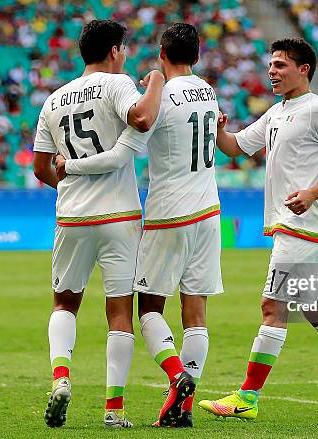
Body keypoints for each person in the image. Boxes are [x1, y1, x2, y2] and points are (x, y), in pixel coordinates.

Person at [197, 38, 318, 421]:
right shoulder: (276, 113)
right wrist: (217, 129)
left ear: (304, 70)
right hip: (299, 228)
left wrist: (313, 192)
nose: (272, 71)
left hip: (300, 225)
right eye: (271, 65)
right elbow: (235, 148)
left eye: (280, 65)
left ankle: (247, 397)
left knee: (272, 307)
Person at [55, 22, 222, 428]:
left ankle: (176, 374)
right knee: (195, 311)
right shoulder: (209, 92)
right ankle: (181, 406)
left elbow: (117, 156)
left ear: (162, 55)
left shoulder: (160, 97)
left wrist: (68, 166)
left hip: (169, 214)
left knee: (148, 308)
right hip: (210, 211)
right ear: (197, 56)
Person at [32, 19, 164, 429]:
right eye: (123, 49)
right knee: (119, 312)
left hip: (71, 215)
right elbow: (142, 118)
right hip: (119, 215)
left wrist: (70, 184)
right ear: (114, 51)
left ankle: (60, 378)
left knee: (64, 302)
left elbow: (40, 168)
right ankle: (114, 409)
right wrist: (156, 81)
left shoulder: (53, 100)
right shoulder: (117, 83)